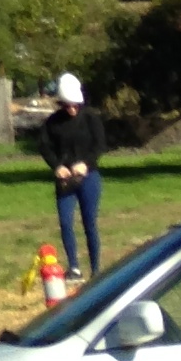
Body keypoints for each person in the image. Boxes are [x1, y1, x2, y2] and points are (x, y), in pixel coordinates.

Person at [39, 72, 106, 280]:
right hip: (65, 181)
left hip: (89, 178)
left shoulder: (91, 119)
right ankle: (74, 267)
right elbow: (44, 146)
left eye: (75, 105)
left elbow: (100, 145)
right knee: (66, 222)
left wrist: (85, 164)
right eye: (67, 105)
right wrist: (57, 166)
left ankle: (95, 269)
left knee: (89, 223)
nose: (71, 109)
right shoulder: (53, 123)